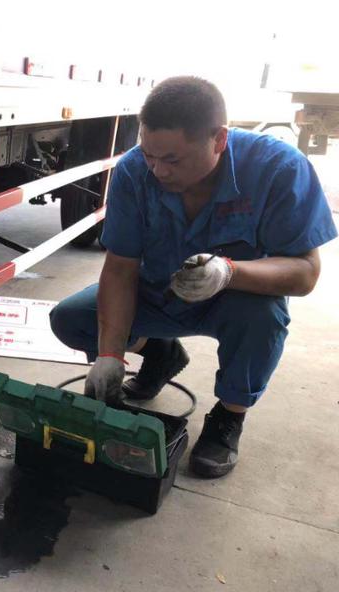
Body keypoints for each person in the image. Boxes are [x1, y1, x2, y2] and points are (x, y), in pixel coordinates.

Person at [50, 76, 337, 478]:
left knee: (264, 318)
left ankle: (228, 418)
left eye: (173, 160)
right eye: (150, 155)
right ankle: (160, 354)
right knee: (72, 318)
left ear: (219, 139)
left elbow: (305, 272)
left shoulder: (278, 169)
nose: (158, 170)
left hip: (235, 300)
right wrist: (110, 356)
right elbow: (120, 268)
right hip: (159, 293)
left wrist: (229, 272)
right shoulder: (134, 171)